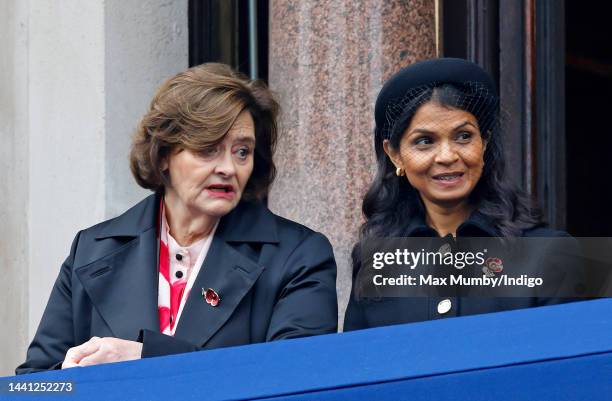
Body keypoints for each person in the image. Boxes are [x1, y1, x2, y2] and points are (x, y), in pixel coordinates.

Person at [17, 63, 338, 374]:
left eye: (242, 151)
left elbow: (297, 377)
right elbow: (34, 385)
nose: (228, 167)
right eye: (209, 149)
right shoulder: (91, 250)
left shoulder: (299, 255)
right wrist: (78, 376)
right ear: (165, 153)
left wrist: (147, 358)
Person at [344, 58, 581, 331]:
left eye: (463, 137)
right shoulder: (375, 265)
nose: (447, 156)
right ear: (395, 154)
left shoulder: (548, 254)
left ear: (485, 143)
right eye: (424, 141)